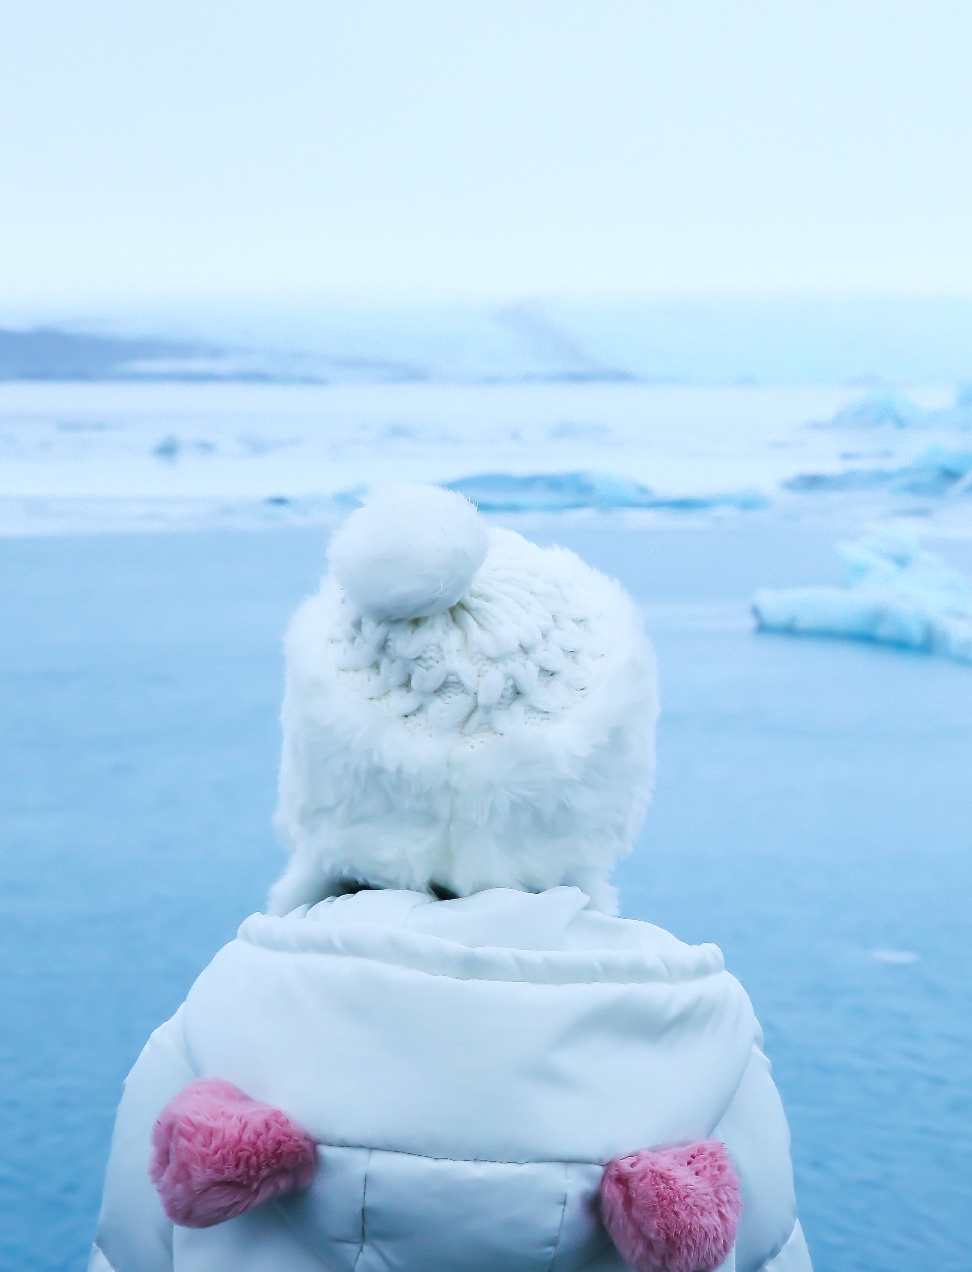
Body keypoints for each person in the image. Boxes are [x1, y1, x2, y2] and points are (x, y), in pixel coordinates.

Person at [88, 485, 809, 1272]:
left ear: (325, 769)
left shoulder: (221, 1019)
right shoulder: (702, 1039)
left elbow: (126, 1254)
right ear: (604, 778)